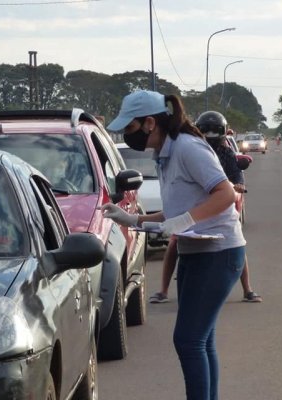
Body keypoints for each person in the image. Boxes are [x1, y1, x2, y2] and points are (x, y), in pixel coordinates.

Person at [101, 90, 247, 400]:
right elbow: (178, 209)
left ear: (150, 123)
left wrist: (184, 222)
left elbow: (225, 194)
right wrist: (133, 220)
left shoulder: (188, 148)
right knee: (201, 340)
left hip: (219, 253)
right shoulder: (166, 154)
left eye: (130, 128)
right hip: (196, 252)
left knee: (188, 340)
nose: (128, 135)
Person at [149, 110, 262, 304]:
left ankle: (248, 289)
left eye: (214, 129)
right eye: (206, 129)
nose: (210, 134)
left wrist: (234, 186)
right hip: (194, 206)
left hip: (219, 205)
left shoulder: (226, 152)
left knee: (235, 241)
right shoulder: (189, 149)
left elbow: (235, 179)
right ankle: (163, 290)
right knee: (175, 242)